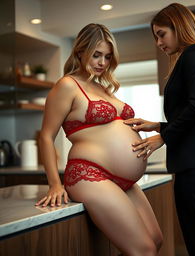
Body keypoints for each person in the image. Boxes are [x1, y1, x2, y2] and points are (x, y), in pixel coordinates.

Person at [35, 23, 163, 255]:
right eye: (96, 55)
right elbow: (46, 136)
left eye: (107, 57)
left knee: (156, 240)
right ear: (80, 51)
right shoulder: (67, 85)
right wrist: (54, 184)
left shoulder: (104, 88)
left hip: (122, 180)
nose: (102, 63)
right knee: (144, 250)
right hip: (89, 174)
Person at [124, 3, 195, 256]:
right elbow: (194, 111)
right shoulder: (191, 56)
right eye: (156, 37)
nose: (159, 43)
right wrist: (156, 125)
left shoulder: (194, 54)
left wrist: (163, 136)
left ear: (178, 26)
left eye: (161, 34)